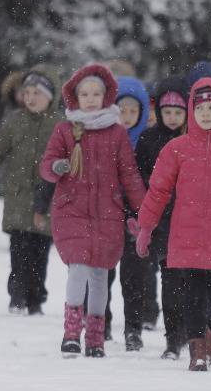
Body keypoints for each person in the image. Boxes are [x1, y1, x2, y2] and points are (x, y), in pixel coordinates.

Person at [134, 78, 211, 371]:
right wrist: (145, 226)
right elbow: (158, 191)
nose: (206, 114)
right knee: (193, 294)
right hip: (185, 235)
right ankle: (196, 348)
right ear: (191, 111)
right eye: (200, 108)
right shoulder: (177, 148)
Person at [40, 63, 146, 358]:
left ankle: (96, 337)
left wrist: (142, 210)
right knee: (79, 268)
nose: (90, 99)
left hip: (107, 214)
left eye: (96, 93)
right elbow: (46, 166)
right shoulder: (65, 130)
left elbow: (129, 174)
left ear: (106, 95)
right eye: (84, 93)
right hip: (71, 211)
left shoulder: (117, 134)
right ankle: (72, 332)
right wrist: (56, 167)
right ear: (75, 96)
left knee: (100, 275)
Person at [0, 66, 62, 315]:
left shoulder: (60, 125)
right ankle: (17, 295)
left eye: (37, 93)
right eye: (27, 92)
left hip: (47, 202)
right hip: (18, 198)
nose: (31, 98)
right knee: (19, 251)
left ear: (51, 97)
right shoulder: (15, 121)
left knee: (40, 252)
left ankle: (36, 298)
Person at [134, 75, 190, 359]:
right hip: (157, 217)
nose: (171, 117)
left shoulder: (191, 141)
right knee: (152, 272)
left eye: (177, 112)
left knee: (178, 279)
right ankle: (160, 324)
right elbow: (139, 173)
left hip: (185, 220)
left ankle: (179, 334)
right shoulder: (148, 138)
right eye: (166, 112)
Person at [107, 75, 151, 350]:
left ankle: (133, 329)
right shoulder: (104, 137)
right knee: (103, 274)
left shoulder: (146, 140)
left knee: (134, 277)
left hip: (136, 217)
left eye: (134, 111)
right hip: (106, 215)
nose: (127, 116)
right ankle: (100, 320)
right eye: (122, 109)